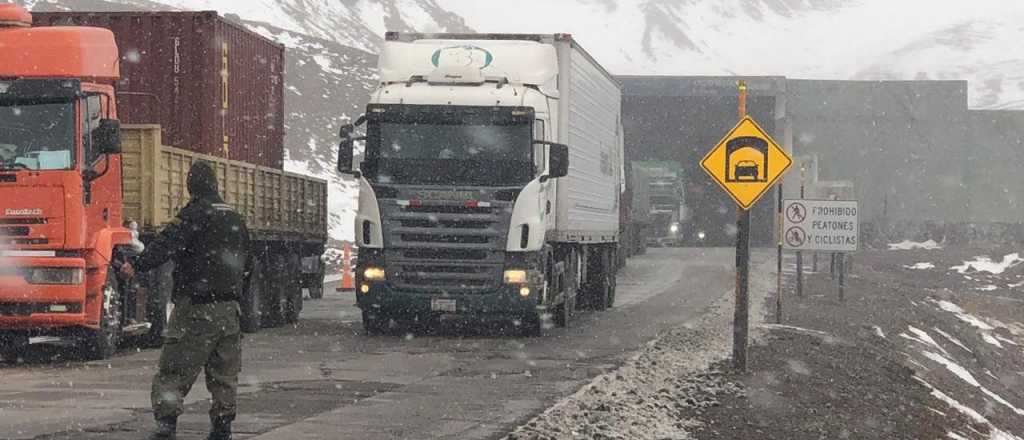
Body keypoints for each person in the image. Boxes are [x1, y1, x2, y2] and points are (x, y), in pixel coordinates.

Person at [121, 160, 250, 440]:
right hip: (230, 308)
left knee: (175, 367)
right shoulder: (235, 217)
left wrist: (137, 265)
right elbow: (248, 263)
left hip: (197, 306)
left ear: (192, 186)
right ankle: (222, 426)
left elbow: (167, 243)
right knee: (224, 372)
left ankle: (167, 424)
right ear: (215, 184)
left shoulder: (194, 214)